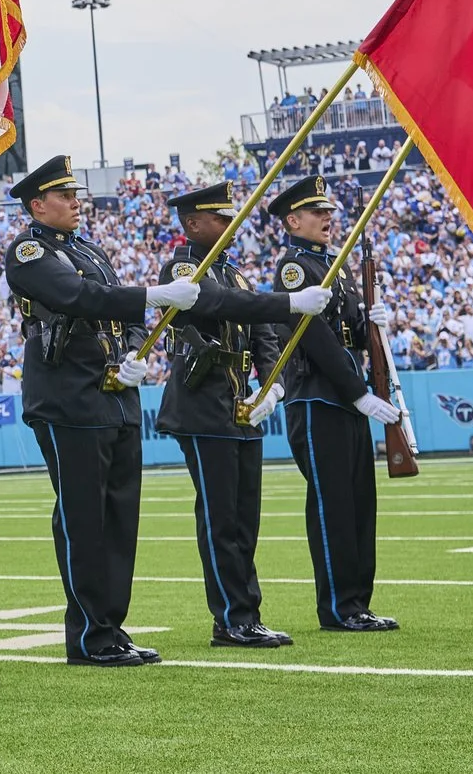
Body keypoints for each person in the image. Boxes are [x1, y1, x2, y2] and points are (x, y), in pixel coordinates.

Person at [3, 155, 190, 666]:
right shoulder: (27, 249)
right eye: (65, 196)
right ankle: (89, 634)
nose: (75, 203)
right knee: (84, 518)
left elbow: (114, 308)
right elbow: (77, 296)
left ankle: (111, 625)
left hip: (113, 395)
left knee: (119, 518)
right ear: (38, 205)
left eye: (75, 194)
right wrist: (150, 295)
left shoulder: (87, 248)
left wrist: (134, 350)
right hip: (67, 397)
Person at [155, 179, 329, 649]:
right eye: (221, 217)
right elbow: (220, 305)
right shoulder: (184, 268)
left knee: (245, 517)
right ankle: (231, 617)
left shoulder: (236, 273)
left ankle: (246, 614)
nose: (232, 223)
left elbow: (266, 336)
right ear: (193, 224)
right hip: (201, 406)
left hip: (241, 406)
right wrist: (288, 302)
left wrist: (271, 388)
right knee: (221, 519)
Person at [268, 175, 399, 632]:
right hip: (318, 398)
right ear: (293, 220)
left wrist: (374, 324)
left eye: (329, 212)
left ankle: (359, 602)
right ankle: (338, 607)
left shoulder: (337, 266)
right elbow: (315, 338)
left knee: (361, 502)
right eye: (317, 213)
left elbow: (351, 335)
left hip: (345, 398)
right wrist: (358, 393)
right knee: (333, 505)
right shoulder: (294, 268)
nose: (327, 219)